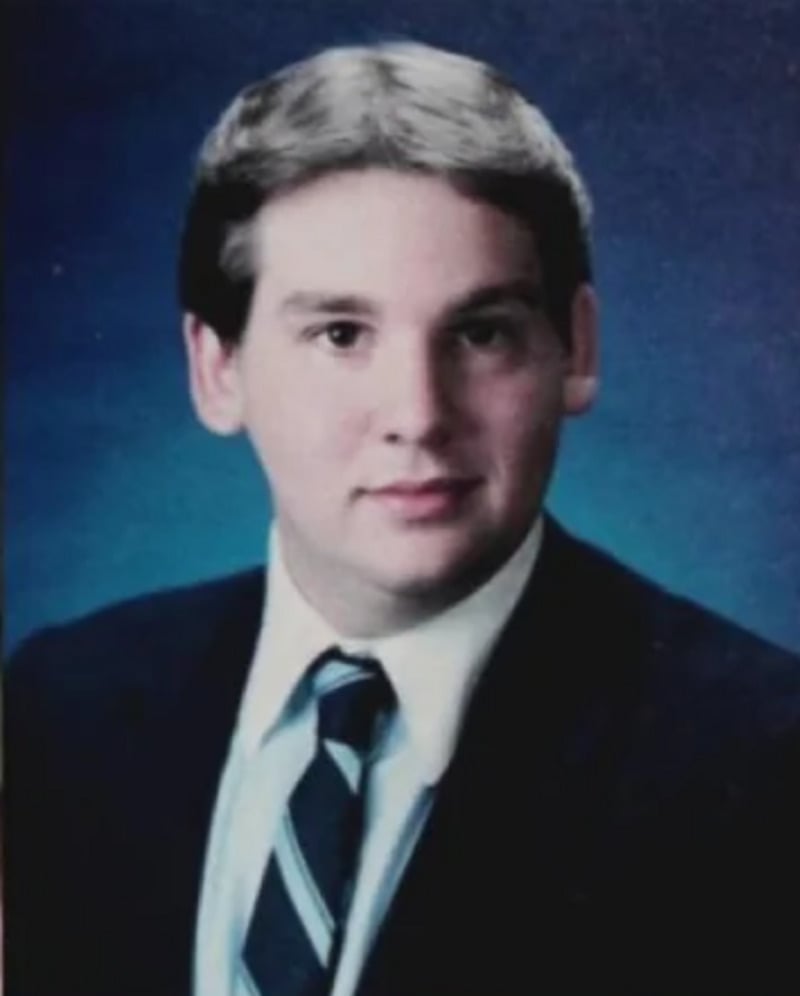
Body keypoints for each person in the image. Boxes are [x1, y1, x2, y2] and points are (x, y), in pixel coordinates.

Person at [5, 41, 799, 996]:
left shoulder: (758, 766)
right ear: (218, 370)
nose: (418, 414)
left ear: (575, 350)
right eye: (340, 335)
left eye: (482, 331)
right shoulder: (61, 709)